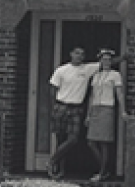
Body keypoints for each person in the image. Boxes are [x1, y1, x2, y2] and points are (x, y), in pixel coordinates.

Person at [47, 46, 101, 179]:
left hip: (76, 107)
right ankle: (59, 171)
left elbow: (107, 63)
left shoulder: (87, 69)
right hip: (61, 105)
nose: (80, 56)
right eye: (77, 53)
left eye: (82, 54)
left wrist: (124, 57)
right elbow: (53, 89)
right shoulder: (62, 70)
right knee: (60, 139)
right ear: (71, 54)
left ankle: (52, 160)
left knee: (73, 139)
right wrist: (53, 108)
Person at [85, 49, 127, 182]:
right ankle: (104, 168)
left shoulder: (115, 75)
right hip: (95, 109)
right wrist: (88, 114)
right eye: (104, 59)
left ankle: (102, 172)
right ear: (100, 61)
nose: (106, 62)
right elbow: (91, 96)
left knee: (104, 143)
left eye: (109, 60)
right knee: (91, 142)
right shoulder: (96, 76)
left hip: (107, 108)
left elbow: (119, 94)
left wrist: (122, 110)